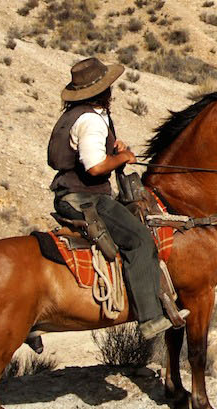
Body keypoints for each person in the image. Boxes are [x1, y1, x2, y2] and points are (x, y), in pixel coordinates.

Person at [48, 57, 179, 340]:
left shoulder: (77, 115)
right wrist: (122, 157)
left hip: (71, 193)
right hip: (86, 199)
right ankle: (150, 318)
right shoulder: (91, 120)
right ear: (102, 91)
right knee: (141, 240)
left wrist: (114, 150)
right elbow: (95, 167)